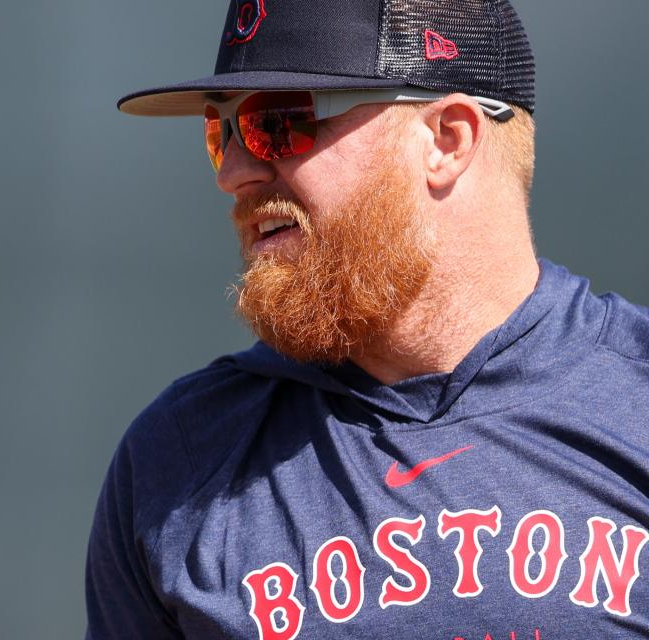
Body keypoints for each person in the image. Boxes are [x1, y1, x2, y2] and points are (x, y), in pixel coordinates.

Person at [85, 0, 649, 638]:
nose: (235, 174)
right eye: (222, 135)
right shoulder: (179, 460)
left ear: (446, 140)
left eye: (277, 122)